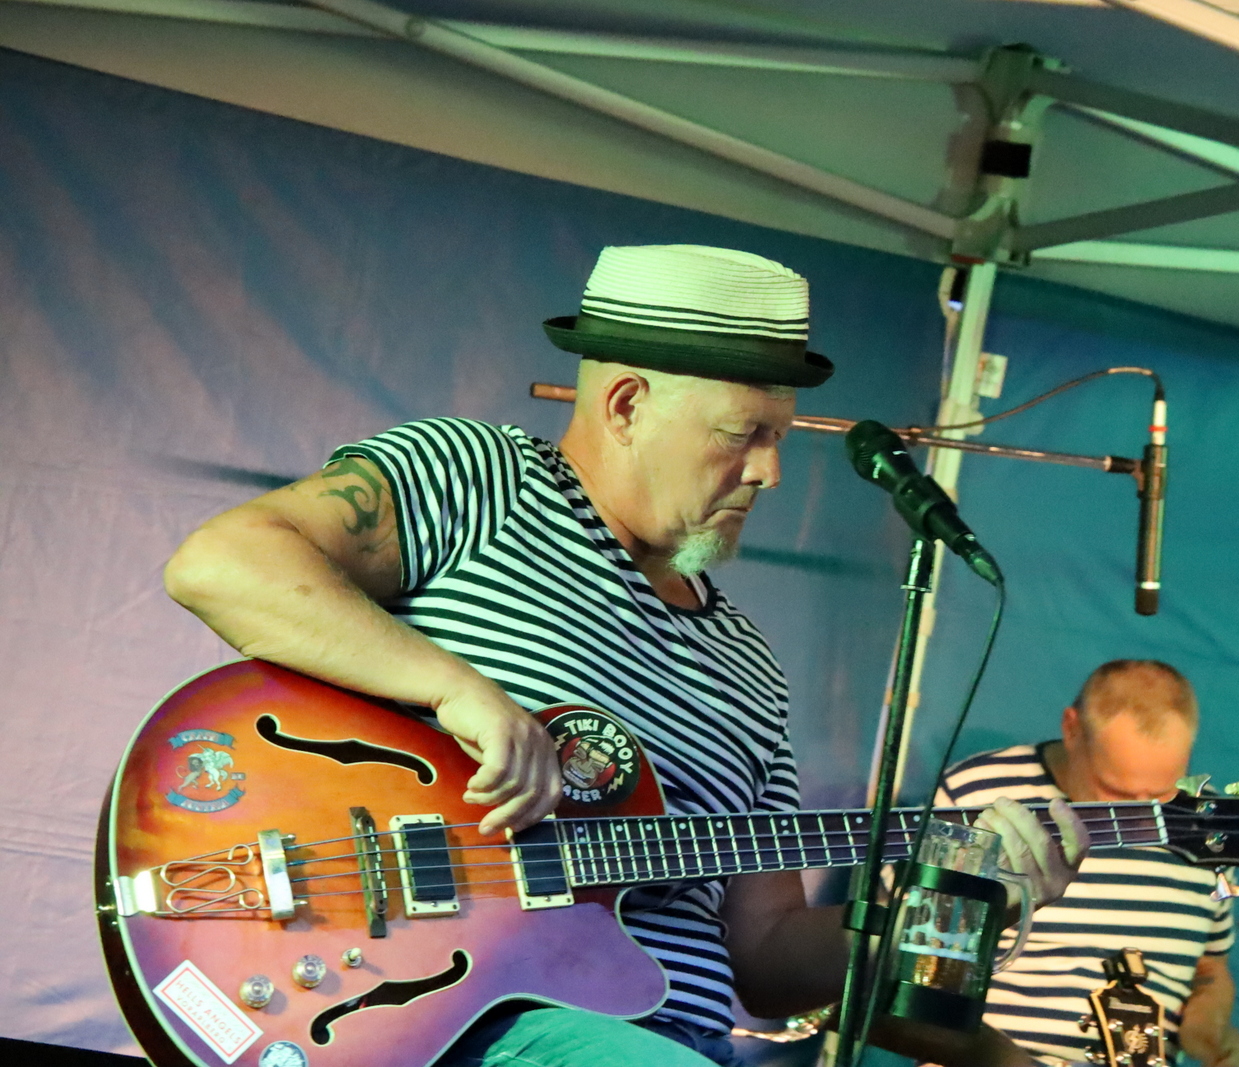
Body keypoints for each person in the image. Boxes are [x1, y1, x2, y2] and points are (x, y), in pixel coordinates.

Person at [163, 244, 1087, 1067]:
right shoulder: (482, 479)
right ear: (628, 404)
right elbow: (223, 561)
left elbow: (767, 959)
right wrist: (456, 689)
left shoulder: (747, 665)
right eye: (744, 434)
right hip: (467, 1015)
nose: (769, 471)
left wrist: (964, 907)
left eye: (779, 438)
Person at [936, 660, 1239, 1067]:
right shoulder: (973, 794)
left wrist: (1208, 1028)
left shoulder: (1208, 824)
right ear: (1072, 729)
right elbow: (908, 950)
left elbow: (1210, 966)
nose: (1144, 815)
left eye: (1162, 792)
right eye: (1117, 791)